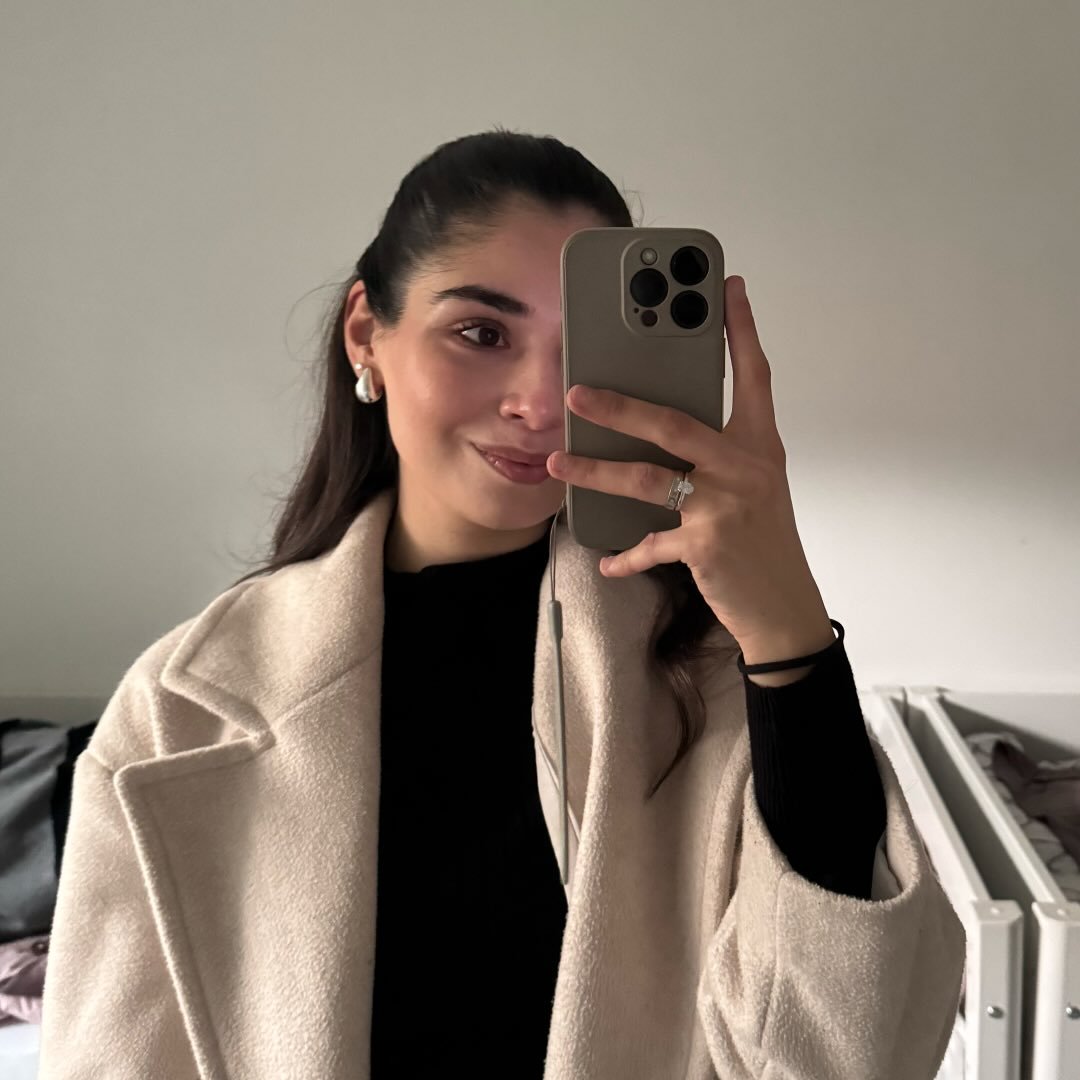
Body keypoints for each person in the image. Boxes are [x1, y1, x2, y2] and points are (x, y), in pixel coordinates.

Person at [37, 128, 965, 1079]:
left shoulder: (709, 670)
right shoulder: (179, 709)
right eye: (481, 333)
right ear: (366, 335)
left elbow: (850, 1052)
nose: (540, 402)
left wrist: (790, 632)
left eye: (581, 351)